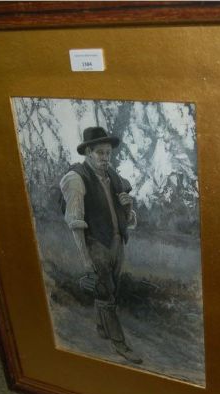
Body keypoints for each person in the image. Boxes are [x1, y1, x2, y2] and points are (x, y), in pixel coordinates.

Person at [59, 126, 142, 364]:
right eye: (100, 153)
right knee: (106, 292)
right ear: (87, 152)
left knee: (110, 288)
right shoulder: (76, 179)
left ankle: (101, 328)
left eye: (108, 153)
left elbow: (128, 220)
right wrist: (86, 261)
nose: (105, 158)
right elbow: (75, 223)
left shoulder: (114, 178)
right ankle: (121, 345)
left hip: (117, 241)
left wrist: (127, 207)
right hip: (96, 244)